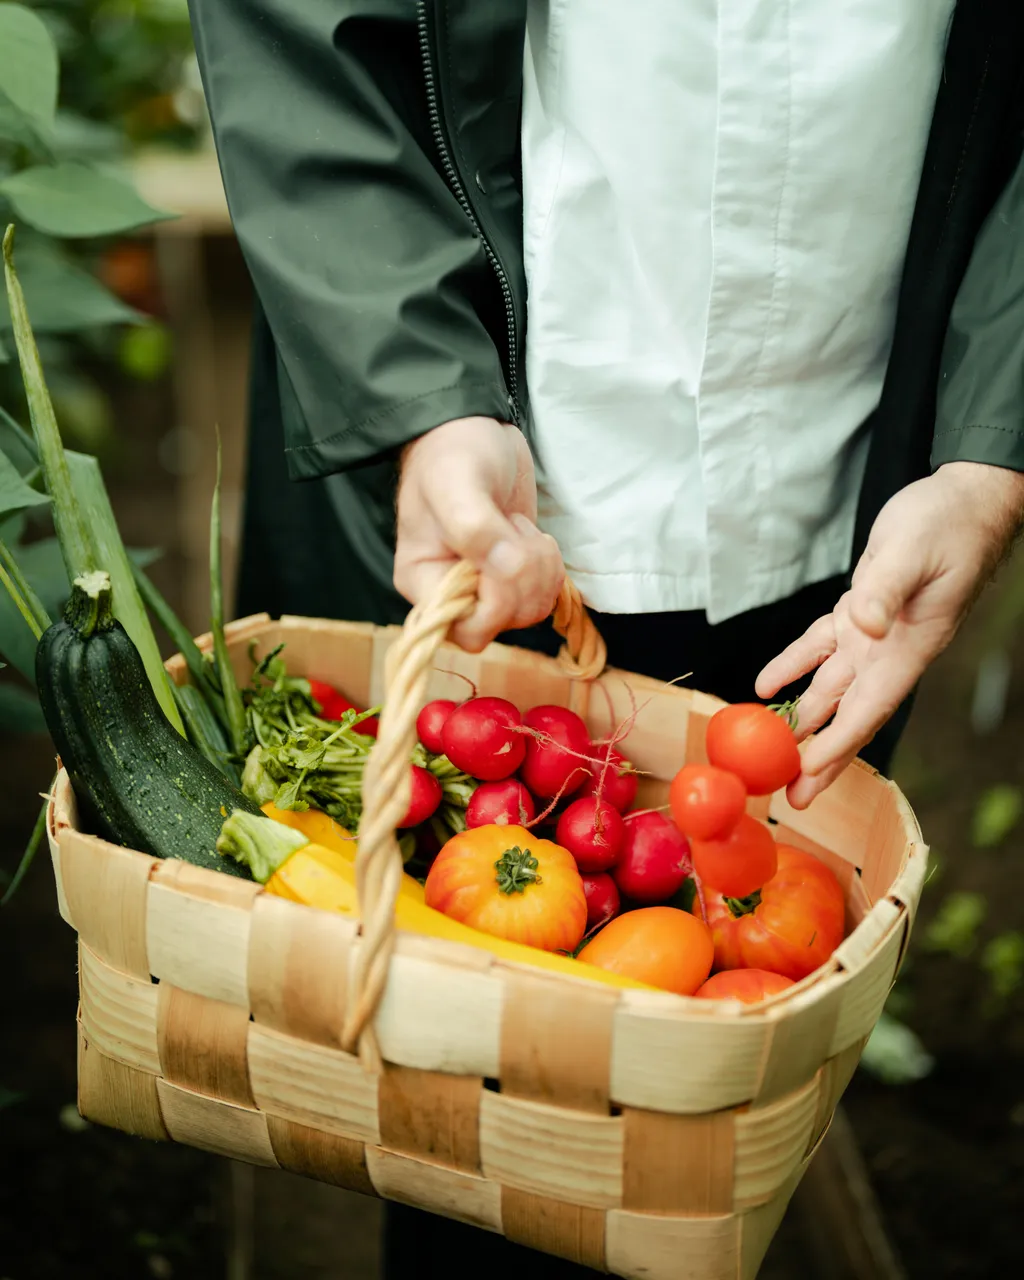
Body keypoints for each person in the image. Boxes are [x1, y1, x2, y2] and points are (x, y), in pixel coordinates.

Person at [187, 1, 1024, 1274]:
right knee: (461, 1132)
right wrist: (413, 389)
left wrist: (991, 445)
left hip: (865, 475)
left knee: (726, 1118)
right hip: (486, 457)